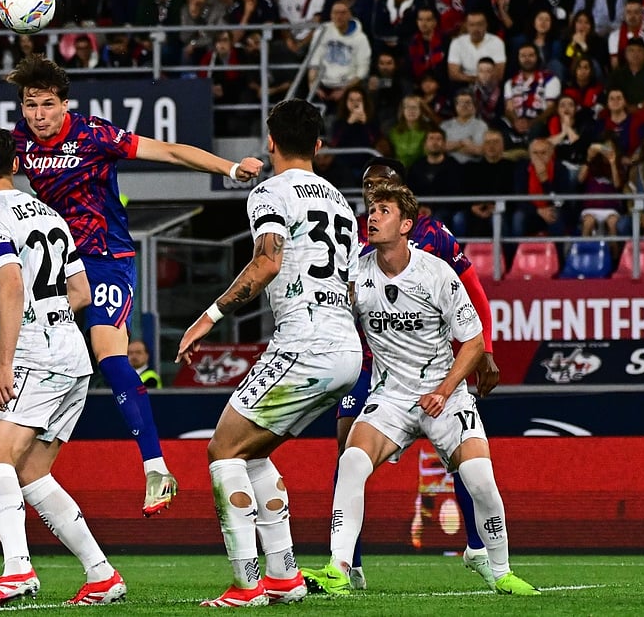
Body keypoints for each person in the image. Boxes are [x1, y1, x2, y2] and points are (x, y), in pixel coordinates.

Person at [0, 54, 262, 516]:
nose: (38, 115)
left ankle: (156, 469)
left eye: (46, 105)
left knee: (110, 354)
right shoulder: (21, 142)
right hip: (61, 259)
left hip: (106, 258)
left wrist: (229, 169)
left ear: (65, 104)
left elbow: (169, 151)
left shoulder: (94, 134)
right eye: (30, 105)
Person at [302, 182, 539, 597]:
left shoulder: (436, 272)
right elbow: (330, 321)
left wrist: (445, 391)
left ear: (407, 224)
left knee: (481, 478)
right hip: (390, 396)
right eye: (371, 210)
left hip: (443, 395)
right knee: (352, 463)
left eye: (384, 211)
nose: (372, 216)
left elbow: (474, 340)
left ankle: (499, 570)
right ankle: (339, 567)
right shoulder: (356, 273)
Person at [175, 99, 360, 607]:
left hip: (305, 341)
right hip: (345, 348)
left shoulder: (270, 192)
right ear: (318, 146)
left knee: (222, 451)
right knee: (253, 451)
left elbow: (267, 262)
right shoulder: (342, 202)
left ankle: (245, 584)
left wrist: (207, 318)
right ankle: (284, 577)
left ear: (271, 142)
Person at [0, 126, 126, 607]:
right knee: (32, 473)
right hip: (73, 353)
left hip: (36, 354)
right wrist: (28, 327)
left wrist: (8, 357)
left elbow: (9, 285)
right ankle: (102, 574)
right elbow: (81, 293)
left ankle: (17, 570)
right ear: (16, 165)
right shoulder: (49, 213)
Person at [336, 157, 499, 590]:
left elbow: (473, 290)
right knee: (348, 449)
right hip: (370, 360)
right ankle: (348, 562)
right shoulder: (354, 236)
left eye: (381, 186)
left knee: (466, 460)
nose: (372, 194)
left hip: (430, 363)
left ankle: (479, 547)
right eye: (367, 186)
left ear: (400, 192)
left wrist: (485, 353)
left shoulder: (434, 235)